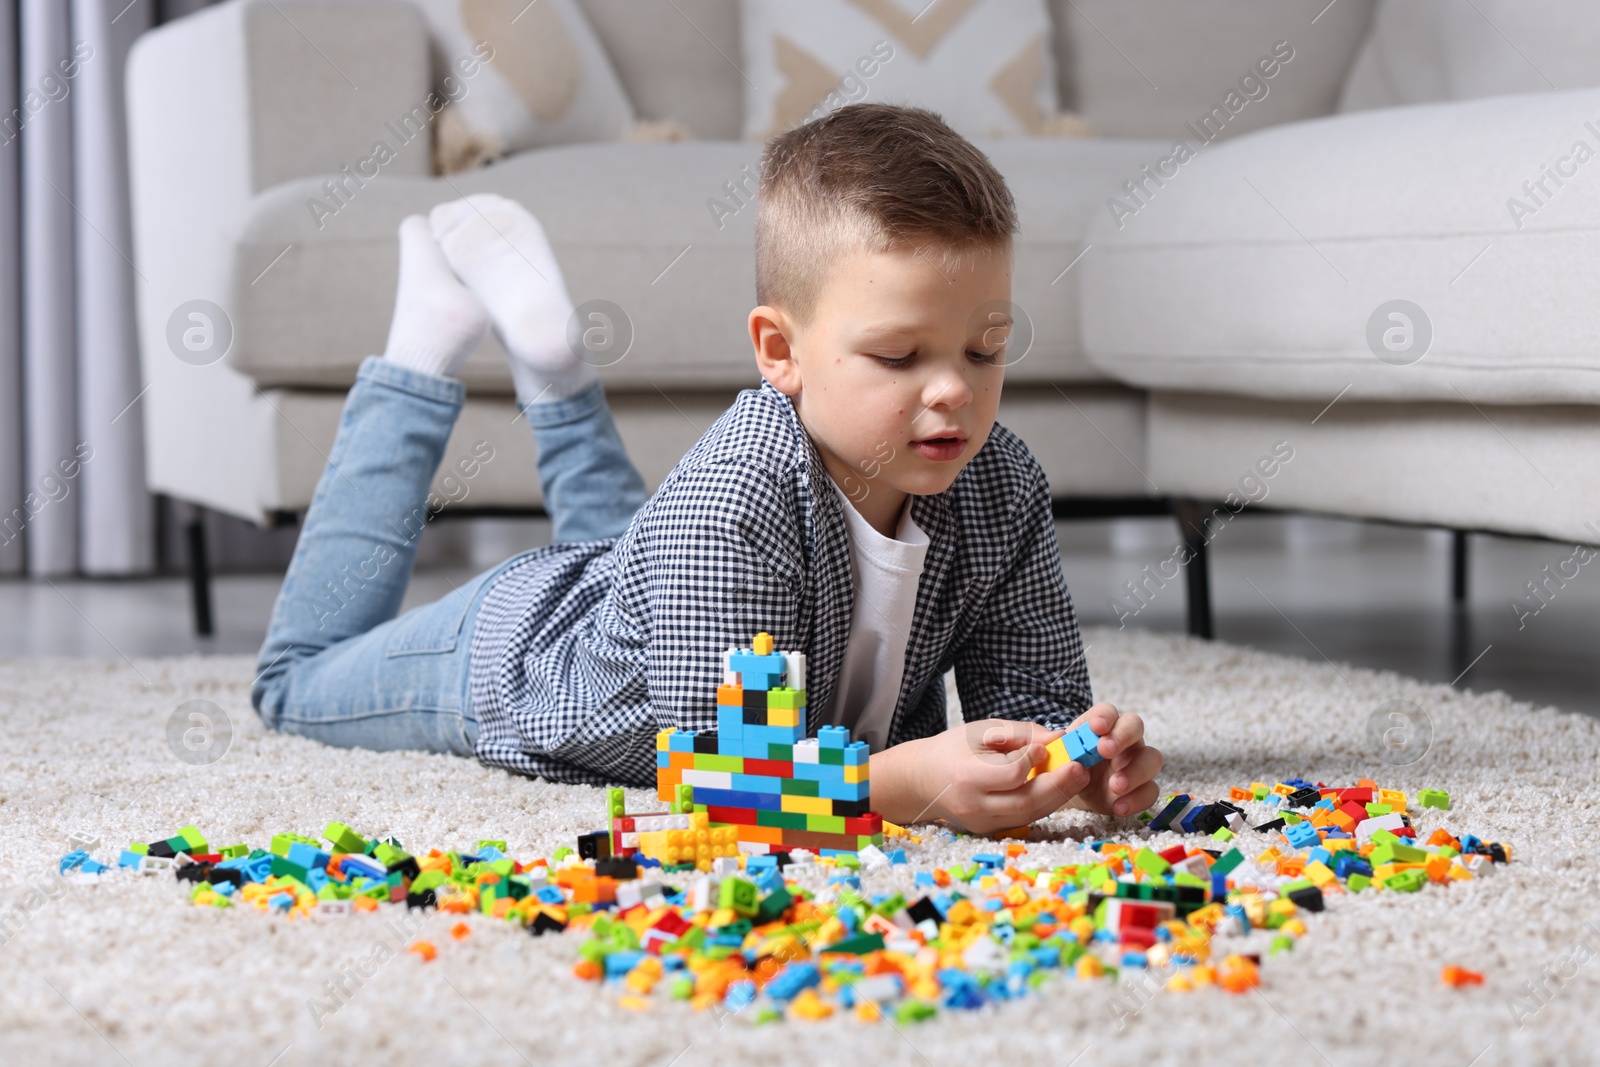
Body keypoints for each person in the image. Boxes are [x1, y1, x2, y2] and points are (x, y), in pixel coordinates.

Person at [251, 103, 1162, 834]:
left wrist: (1072, 760)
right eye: (898, 357)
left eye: (985, 348)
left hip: (657, 588)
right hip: (515, 660)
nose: (953, 392)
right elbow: (717, 782)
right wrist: (903, 783)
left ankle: (553, 362)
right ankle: (422, 347)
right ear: (779, 349)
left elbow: (1033, 698)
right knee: (293, 680)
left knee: (633, 550)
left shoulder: (1002, 484)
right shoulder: (731, 504)